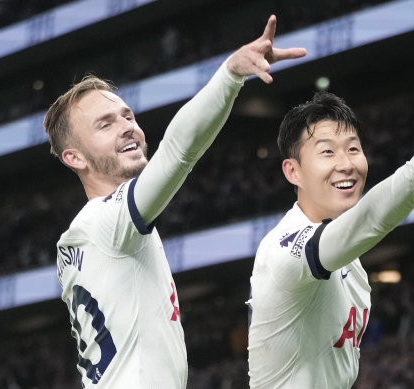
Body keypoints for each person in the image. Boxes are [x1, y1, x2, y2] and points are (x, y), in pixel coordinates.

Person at [43, 15, 305, 389]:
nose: (127, 126)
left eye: (127, 115)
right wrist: (230, 75)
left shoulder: (90, 235)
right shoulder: (106, 221)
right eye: (105, 124)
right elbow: (178, 151)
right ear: (75, 158)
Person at [247, 69, 414, 388]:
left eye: (353, 148)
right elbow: (371, 218)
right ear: (293, 172)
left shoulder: (348, 259)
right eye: (327, 151)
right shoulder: (284, 251)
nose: (346, 163)